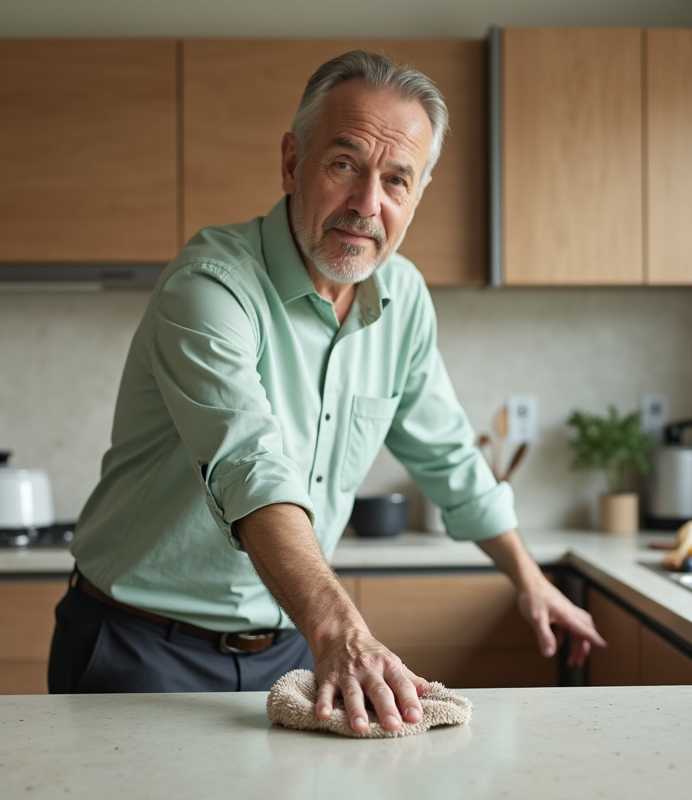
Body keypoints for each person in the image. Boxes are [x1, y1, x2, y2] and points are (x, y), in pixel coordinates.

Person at [48, 50, 605, 734]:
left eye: (396, 179)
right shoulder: (210, 288)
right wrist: (342, 630)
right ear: (292, 163)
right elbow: (250, 465)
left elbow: (448, 455)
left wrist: (531, 580)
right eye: (344, 165)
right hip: (141, 648)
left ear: (418, 195)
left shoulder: (403, 299)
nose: (367, 204)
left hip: (290, 649)